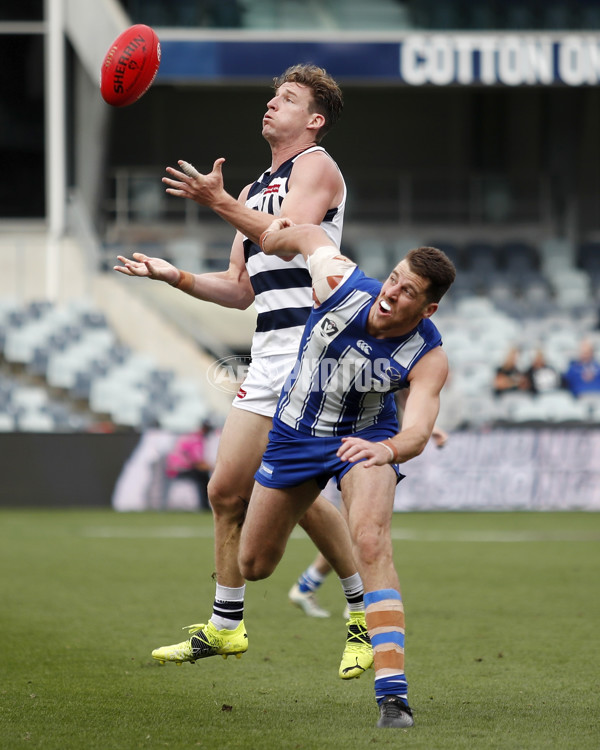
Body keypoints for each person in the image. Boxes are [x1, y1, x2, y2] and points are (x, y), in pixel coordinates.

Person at [114, 64, 372, 679]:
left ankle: (364, 611)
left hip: (313, 352)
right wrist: (172, 274)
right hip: (268, 355)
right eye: (271, 95)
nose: (270, 104)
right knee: (226, 491)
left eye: (286, 99)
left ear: (313, 119)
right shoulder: (256, 188)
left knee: (289, 492)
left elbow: (287, 240)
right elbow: (237, 289)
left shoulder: (318, 166)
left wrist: (218, 200)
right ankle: (227, 626)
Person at [237, 218, 456, 729]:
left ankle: (393, 698)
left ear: (428, 308)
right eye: (394, 279)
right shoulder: (342, 284)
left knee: (372, 543)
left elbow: (420, 431)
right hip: (293, 435)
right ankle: (306, 494)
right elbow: (306, 233)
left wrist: (390, 451)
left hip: (366, 440)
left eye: (408, 293)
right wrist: (239, 214)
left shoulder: (429, 355)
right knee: (254, 565)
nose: (393, 293)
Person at [289, 424, 448, 619]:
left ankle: (309, 586)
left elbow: (407, 395)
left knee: (354, 531)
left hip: (360, 440)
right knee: (358, 531)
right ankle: (357, 599)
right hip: (354, 442)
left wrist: (425, 426)